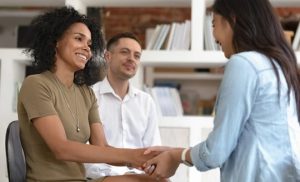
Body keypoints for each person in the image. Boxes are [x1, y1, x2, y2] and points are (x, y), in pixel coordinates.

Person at [143, 0, 300, 181]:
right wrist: (177, 152)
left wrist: (175, 156)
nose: (214, 35)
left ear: (232, 20)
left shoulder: (244, 63)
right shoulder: (278, 65)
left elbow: (215, 152)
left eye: (213, 23)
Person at [17, 6, 165, 182]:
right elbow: (61, 148)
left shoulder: (86, 93)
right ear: (56, 41)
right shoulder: (36, 84)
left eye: (89, 44)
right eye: (79, 39)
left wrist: (139, 162)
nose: (87, 49)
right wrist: (131, 156)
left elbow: (101, 146)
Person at [85, 32, 161, 178]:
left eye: (137, 56)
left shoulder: (146, 101)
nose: (131, 59)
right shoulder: (90, 96)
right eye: (125, 52)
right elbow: (85, 152)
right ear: (108, 56)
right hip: (102, 176)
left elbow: (152, 150)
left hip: (138, 176)